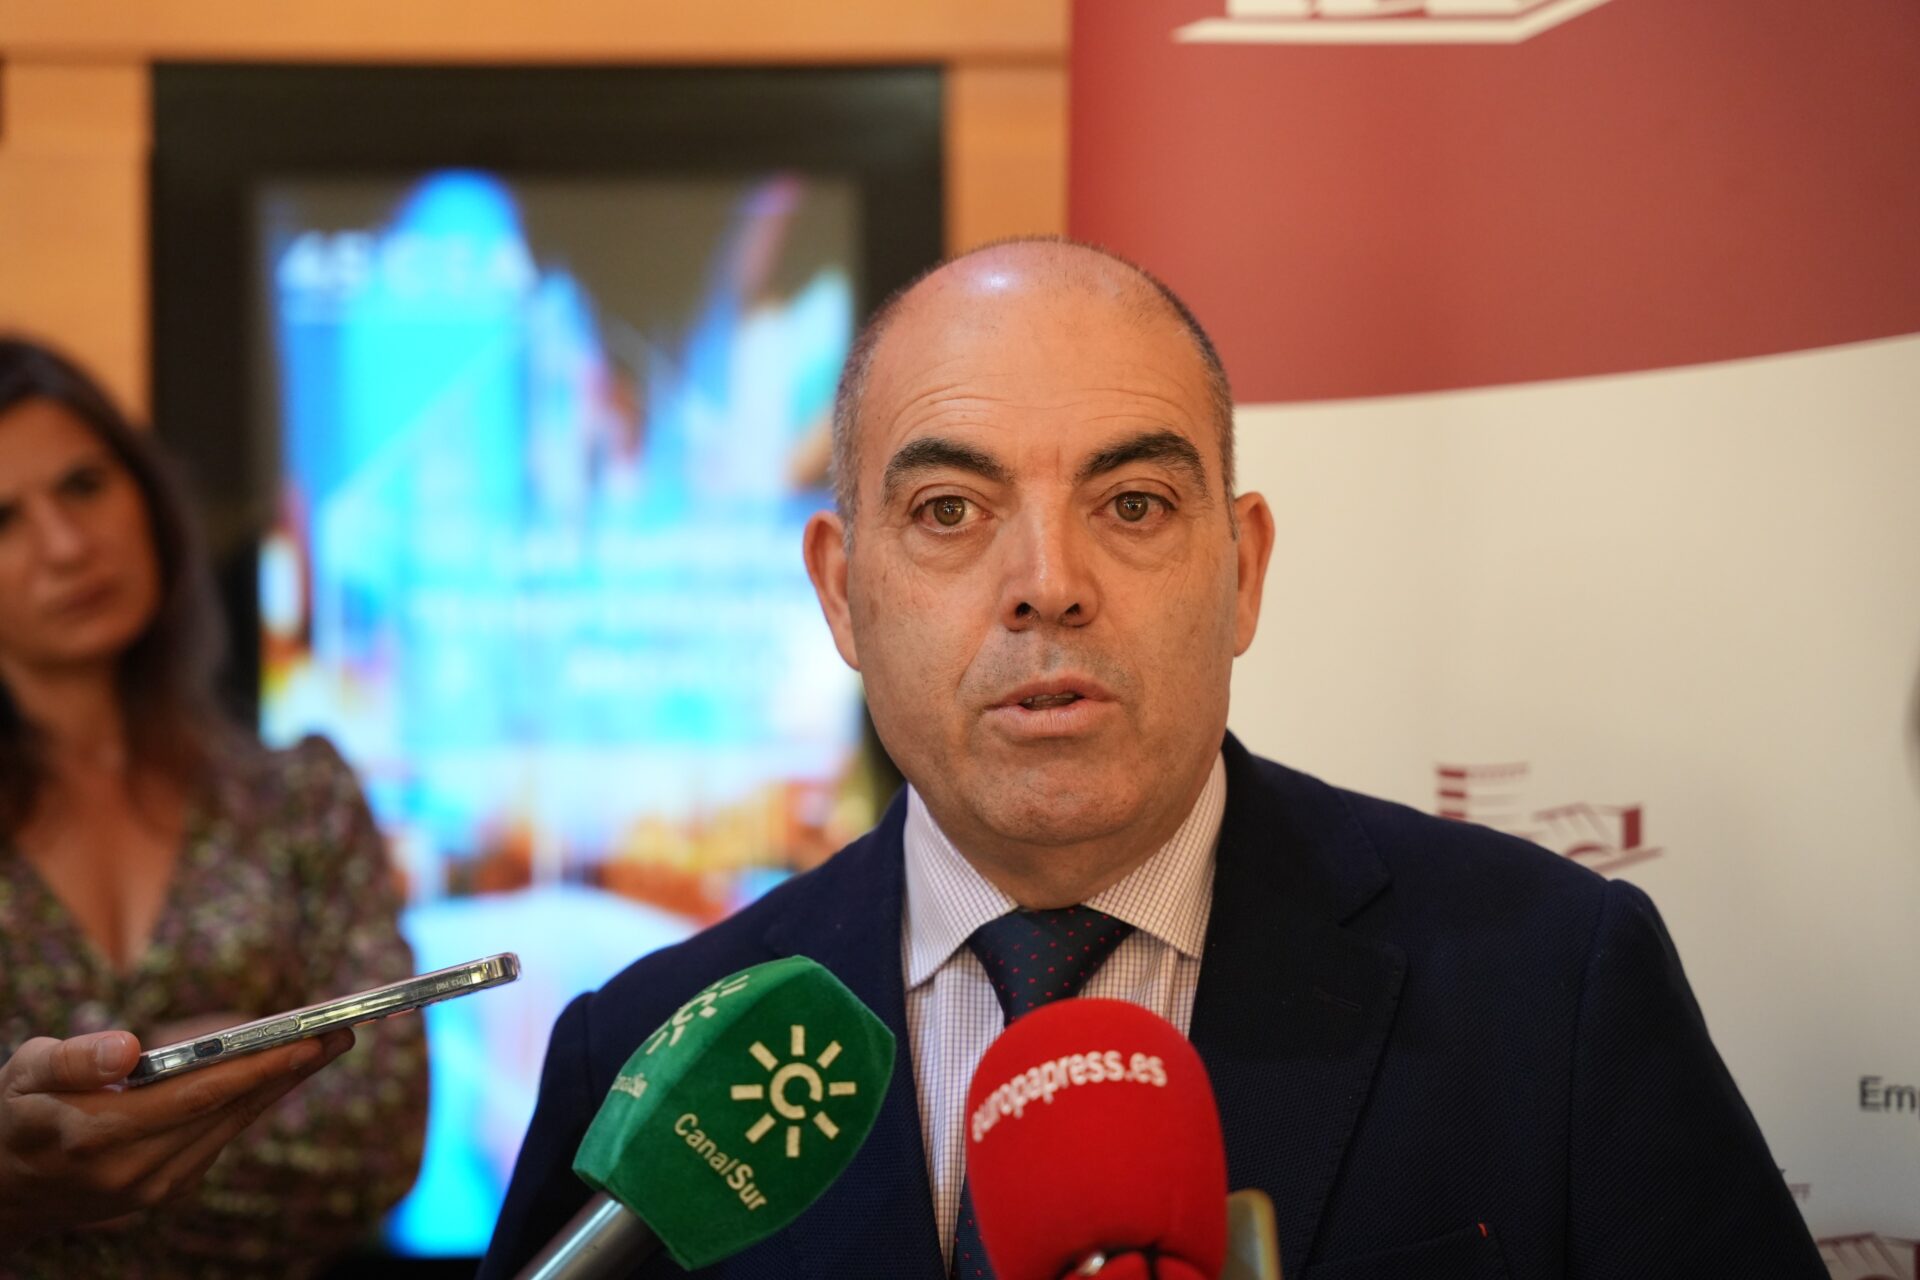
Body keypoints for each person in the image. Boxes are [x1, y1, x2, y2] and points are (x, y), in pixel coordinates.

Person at [479, 239, 1828, 1278]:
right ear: (840, 590)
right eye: (950, 509)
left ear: (1242, 570)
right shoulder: (642, 1059)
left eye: (1132, 503)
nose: (1048, 582)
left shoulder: (1553, 987)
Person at [0, 337, 428, 1278]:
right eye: (4, 521)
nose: (67, 546)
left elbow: (378, 1138)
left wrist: (58, 1188)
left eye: (84, 486)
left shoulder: (301, 798)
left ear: (146, 495)